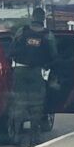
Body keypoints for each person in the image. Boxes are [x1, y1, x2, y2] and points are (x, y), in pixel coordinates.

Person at [8, 8, 58, 140]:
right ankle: (34, 138)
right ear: (43, 19)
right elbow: (54, 55)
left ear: (32, 17)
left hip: (19, 71)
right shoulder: (48, 35)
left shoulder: (21, 31)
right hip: (37, 72)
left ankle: (16, 137)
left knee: (19, 104)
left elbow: (11, 50)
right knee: (36, 105)